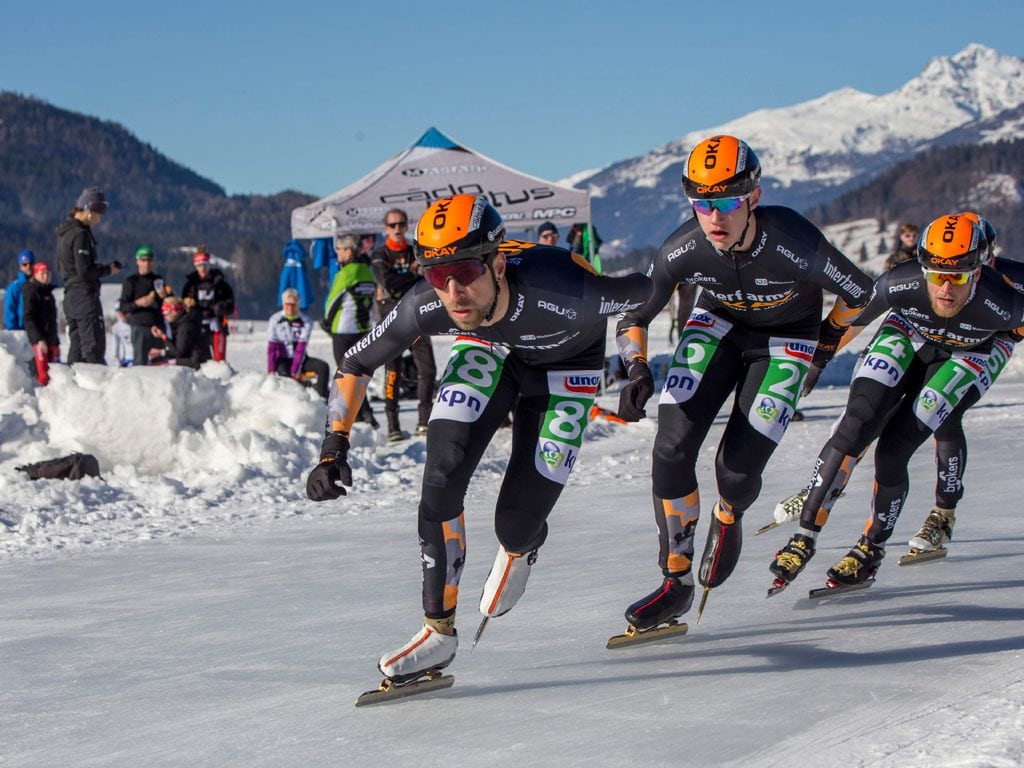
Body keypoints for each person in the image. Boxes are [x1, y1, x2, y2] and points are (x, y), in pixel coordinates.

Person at [305, 193, 652, 684]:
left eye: (466, 273)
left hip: (566, 363)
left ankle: (523, 544)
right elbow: (354, 362)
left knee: (514, 523)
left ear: (498, 263)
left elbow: (644, 293)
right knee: (441, 474)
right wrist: (332, 446)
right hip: (487, 347)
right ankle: (438, 630)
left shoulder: (567, 287)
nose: (452, 292)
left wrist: (635, 364)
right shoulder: (430, 303)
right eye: (435, 275)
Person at [613, 135, 874, 633]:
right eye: (702, 204)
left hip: (786, 339)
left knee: (734, 471)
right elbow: (635, 310)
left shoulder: (794, 240)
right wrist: (637, 365)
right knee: (670, 450)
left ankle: (728, 513)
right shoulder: (684, 247)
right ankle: (675, 579)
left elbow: (860, 292)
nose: (715, 217)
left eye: (728, 202)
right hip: (717, 327)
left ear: (754, 197)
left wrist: (824, 344)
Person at [768, 213, 1024, 590]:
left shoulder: (1008, 299)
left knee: (897, 447)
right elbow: (846, 323)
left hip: (975, 349)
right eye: (935, 275)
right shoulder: (900, 282)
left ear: (983, 267)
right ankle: (806, 532)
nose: (946, 288)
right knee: (858, 420)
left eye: (960, 275)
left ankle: (885, 541)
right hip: (911, 331)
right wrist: (815, 362)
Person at [371, 207, 436, 440]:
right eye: (392, 225)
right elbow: (388, 284)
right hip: (391, 319)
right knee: (393, 374)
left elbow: (429, 279)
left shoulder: (415, 251)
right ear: (385, 228)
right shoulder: (380, 254)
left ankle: (424, 421)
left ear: (407, 226)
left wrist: (415, 276)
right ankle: (393, 425)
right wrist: (412, 276)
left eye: (401, 224)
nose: (397, 229)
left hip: (416, 316)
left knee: (428, 370)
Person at [56, 187, 121, 364]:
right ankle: (93, 386)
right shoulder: (80, 234)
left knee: (77, 345)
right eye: (98, 214)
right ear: (88, 209)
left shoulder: (65, 233)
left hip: (70, 295)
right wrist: (107, 270)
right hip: (84, 295)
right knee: (92, 345)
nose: (99, 220)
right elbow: (84, 272)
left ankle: (71, 385)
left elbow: (65, 266)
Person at [323, 233, 378, 426]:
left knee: (345, 374)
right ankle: (364, 413)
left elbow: (332, 302)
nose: (337, 252)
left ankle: (360, 414)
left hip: (343, 329)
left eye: (339, 249)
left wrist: (326, 322)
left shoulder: (344, 273)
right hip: (363, 328)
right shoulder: (367, 270)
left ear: (349, 251)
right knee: (359, 373)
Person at [267, 288, 330, 399]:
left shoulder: (306, 321)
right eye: (287, 304)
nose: (290, 308)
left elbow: (300, 348)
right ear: (283, 304)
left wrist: (295, 370)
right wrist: (271, 371)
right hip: (283, 359)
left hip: (301, 359)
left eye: (293, 304)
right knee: (284, 375)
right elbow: (272, 348)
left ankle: (321, 398)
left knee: (323, 367)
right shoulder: (274, 320)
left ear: (298, 304)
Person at [181, 248, 235, 363]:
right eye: (199, 265)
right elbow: (183, 306)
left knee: (219, 361)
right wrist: (188, 306)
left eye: (205, 264)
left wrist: (221, 307)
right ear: (195, 266)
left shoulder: (221, 284)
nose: (203, 268)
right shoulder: (190, 285)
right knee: (196, 359)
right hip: (196, 327)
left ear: (209, 264)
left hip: (217, 326)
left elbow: (231, 306)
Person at [119, 246, 168, 365]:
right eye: (143, 260)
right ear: (138, 261)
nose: (146, 263)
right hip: (140, 326)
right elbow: (123, 307)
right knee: (140, 362)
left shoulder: (158, 279)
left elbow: (167, 303)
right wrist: (138, 303)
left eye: (149, 260)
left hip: (158, 325)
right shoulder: (131, 281)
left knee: (160, 362)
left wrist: (164, 296)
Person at [22, 262, 60, 385]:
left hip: (51, 340)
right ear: (36, 274)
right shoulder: (32, 291)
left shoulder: (49, 294)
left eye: (48, 274)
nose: (45, 276)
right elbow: (28, 318)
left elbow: (53, 321)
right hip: (39, 341)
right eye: (42, 274)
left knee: (52, 375)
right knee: (42, 375)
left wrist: (56, 342)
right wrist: (38, 339)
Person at [148, 296, 210, 370]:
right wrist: (161, 352)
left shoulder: (185, 326)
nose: (165, 316)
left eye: (166, 311)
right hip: (196, 362)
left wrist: (163, 337)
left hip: (196, 366)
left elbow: (179, 352)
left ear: (175, 311)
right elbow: (179, 349)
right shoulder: (184, 322)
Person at [3, 250, 34, 330]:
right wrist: (14, 331)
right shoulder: (14, 287)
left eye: (31, 263)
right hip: (21, 332)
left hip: (37, 333)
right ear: (20, 266)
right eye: (25, 264)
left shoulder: (37, 286)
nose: (28, 266)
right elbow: (9, 310)